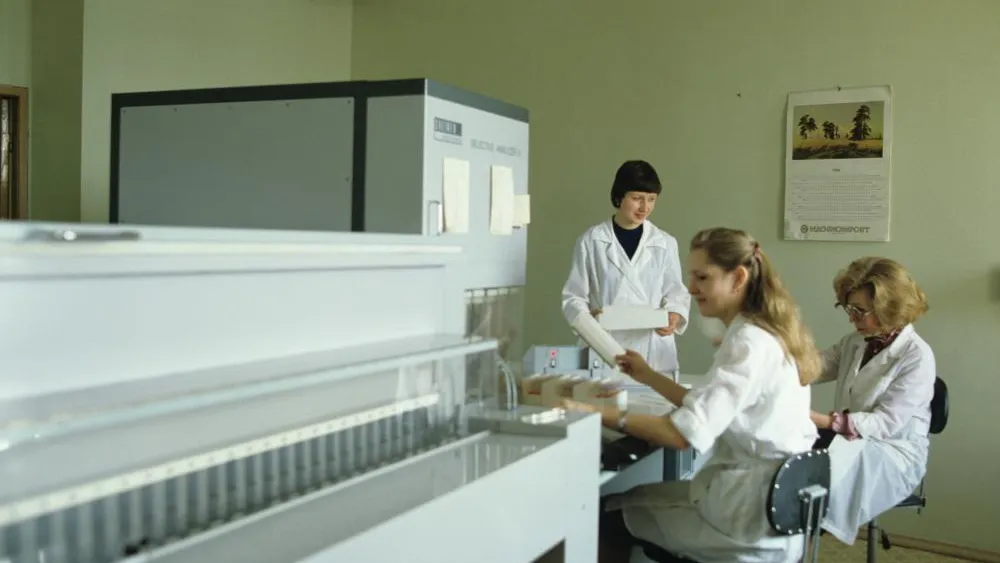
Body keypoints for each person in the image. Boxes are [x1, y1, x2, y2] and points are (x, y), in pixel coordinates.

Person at [559, 227, 820, 563]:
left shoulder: (748, 342)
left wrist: (593, 411)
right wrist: (647, 375)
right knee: (627, 500)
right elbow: (707, 406)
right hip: (768, 504)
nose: (691, 288)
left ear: (738, 278)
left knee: (607, 515)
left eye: (702, 277)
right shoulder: (763, 332)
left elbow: (681, 434)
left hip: (746, 517)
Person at [809, 257, 935, 545]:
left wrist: (821, 420)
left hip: (892, 452)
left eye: (860, 311)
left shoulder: (917, 356)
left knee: (816, 481)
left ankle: (802, 537)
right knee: (794, 455)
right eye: (849, 309)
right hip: (851, 438)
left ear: (889, 307)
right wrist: (772, 361)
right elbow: (815, 366)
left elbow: (885, 422)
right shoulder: (855, 341)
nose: (851, 318)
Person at [561, 160, 691, 381]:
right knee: (605, 401)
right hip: (606, 345)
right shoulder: (592, 240)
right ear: (620, 196)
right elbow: (573, 296)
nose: (645, 207)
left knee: (653, 400)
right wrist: (587, 322)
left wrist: (674, 315)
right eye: (637, 198)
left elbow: (676, 292)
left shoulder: (665, 243)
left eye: (651, 199)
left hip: (652, 348)